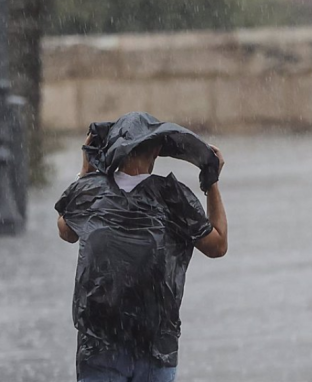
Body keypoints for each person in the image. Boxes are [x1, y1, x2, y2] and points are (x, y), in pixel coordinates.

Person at [56, 130, 228, 382]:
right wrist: (211, 182)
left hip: (100, 347)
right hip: (155, 347)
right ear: (157, 150)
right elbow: (218, 245)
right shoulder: (172, 196)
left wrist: (86, 172)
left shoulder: (92, 192)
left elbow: (65, 230)